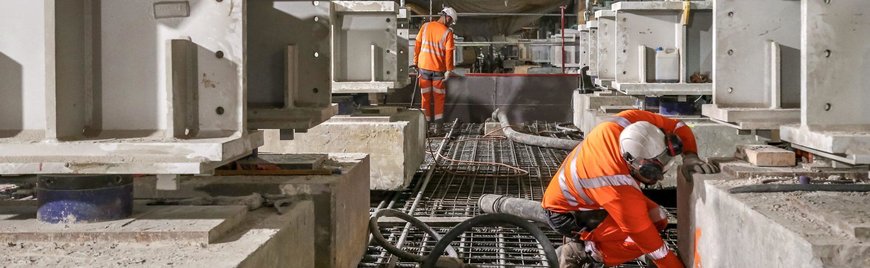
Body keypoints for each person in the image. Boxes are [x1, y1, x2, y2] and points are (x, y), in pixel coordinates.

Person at [542, 109, 719, 268]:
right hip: (568, 214)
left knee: (658, 218)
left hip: (588, 196)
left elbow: (678, 125)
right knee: (637, 238)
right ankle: (583, 251)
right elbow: (657, 250)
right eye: (654, 171)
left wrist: (690, 155)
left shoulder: (627, 123)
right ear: (633, 164)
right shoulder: (617, 187)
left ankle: (592, 239)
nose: (662, 177)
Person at [412, 7, 458, 134]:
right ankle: (438, 128)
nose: (450, 23)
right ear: (447, 17)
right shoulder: (447, 33)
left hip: (423, 68)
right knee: (439, 98)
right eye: (451, 21)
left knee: (425, 98)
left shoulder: (425, 26)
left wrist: (415, 63)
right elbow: (449, 54)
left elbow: (417, 46)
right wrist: (449, 70)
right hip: (438, 70)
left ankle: (425, 129)